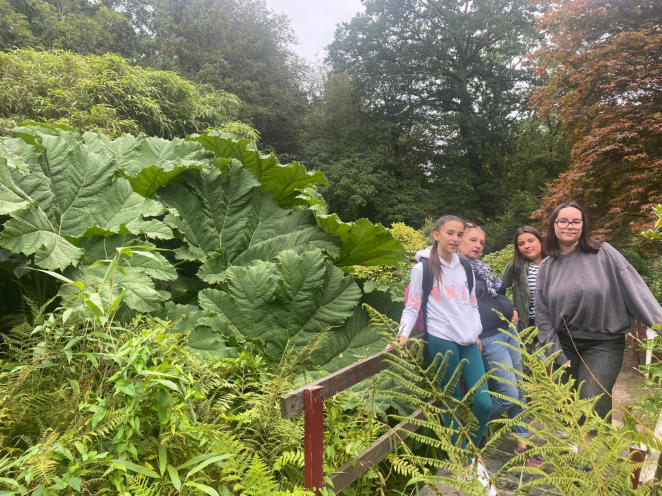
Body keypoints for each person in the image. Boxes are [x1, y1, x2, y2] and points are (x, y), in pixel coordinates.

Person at [392, 215, 495, 494]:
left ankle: (469, 455)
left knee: (483, 402)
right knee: (452, 402)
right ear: (436, 235)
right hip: (441, 339)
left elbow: (471, 302)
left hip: (468, 339)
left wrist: (475, 330)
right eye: (450, 233)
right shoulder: (423, 269)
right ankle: (463, 463)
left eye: (460, 234)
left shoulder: (466, 267)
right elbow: (412, 306)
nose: (455, 239)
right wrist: (402, 335)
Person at [535, 201, 662, 420]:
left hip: (604, 343)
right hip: (566, 345)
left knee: (592, 405)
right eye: (563, 221)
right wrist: (554, 352)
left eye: (576, 221)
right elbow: (543, 316)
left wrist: (659, 324)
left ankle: (594, 443)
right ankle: (578, 444)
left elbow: (636, 290)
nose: (569, 226)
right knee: (569, 411)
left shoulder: (604, 253)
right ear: (553, 225)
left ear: (583, 225)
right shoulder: (546, 267)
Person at [460, 224, 542, 467]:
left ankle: (522, 444)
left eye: (481, 242)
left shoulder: (480, 268)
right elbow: (456, 306)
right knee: (508, 395)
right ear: (459, 240)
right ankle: (471, 431)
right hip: (489, 337)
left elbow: (497, 292)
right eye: (472, 240)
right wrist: (470, 332)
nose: (478, 245)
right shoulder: (455, 269)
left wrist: (512, 308)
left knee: (519, 389)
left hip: (508, 330)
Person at [501, 226, 545, 334]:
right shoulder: (515, 266)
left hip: (557, 324)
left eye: (531, 241)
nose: (527, 246)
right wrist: (512, 309)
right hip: (528, 325)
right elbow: (498, 290)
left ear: (540, 240)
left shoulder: (554, 262)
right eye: (521, 244)